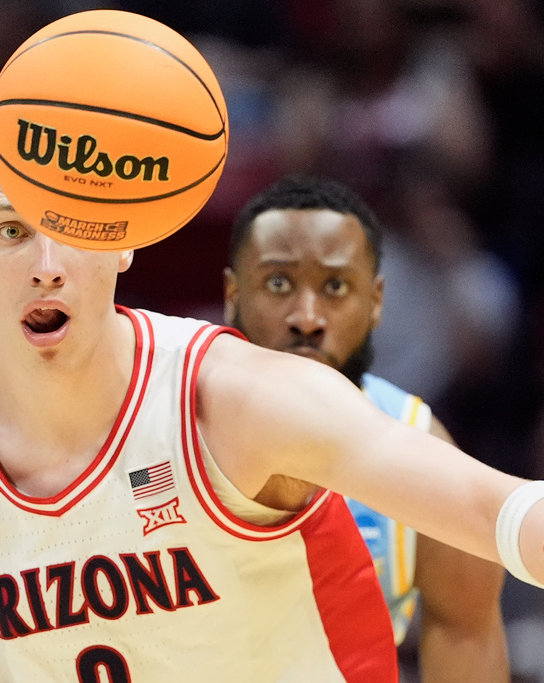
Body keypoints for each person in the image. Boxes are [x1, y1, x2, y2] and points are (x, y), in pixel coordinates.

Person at [0, 124, 544, 683]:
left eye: (78, 225)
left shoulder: (232, 398)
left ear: (123, 241)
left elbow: (468, 494)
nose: (46, 261)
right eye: (13, 229)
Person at [223, 174, 508, 681]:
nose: (306, 318)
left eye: (334, 287)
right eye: (279, 283)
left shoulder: (423, 443)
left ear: (375, 301)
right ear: (232, 294)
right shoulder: (161, 417)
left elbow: (466, 634)